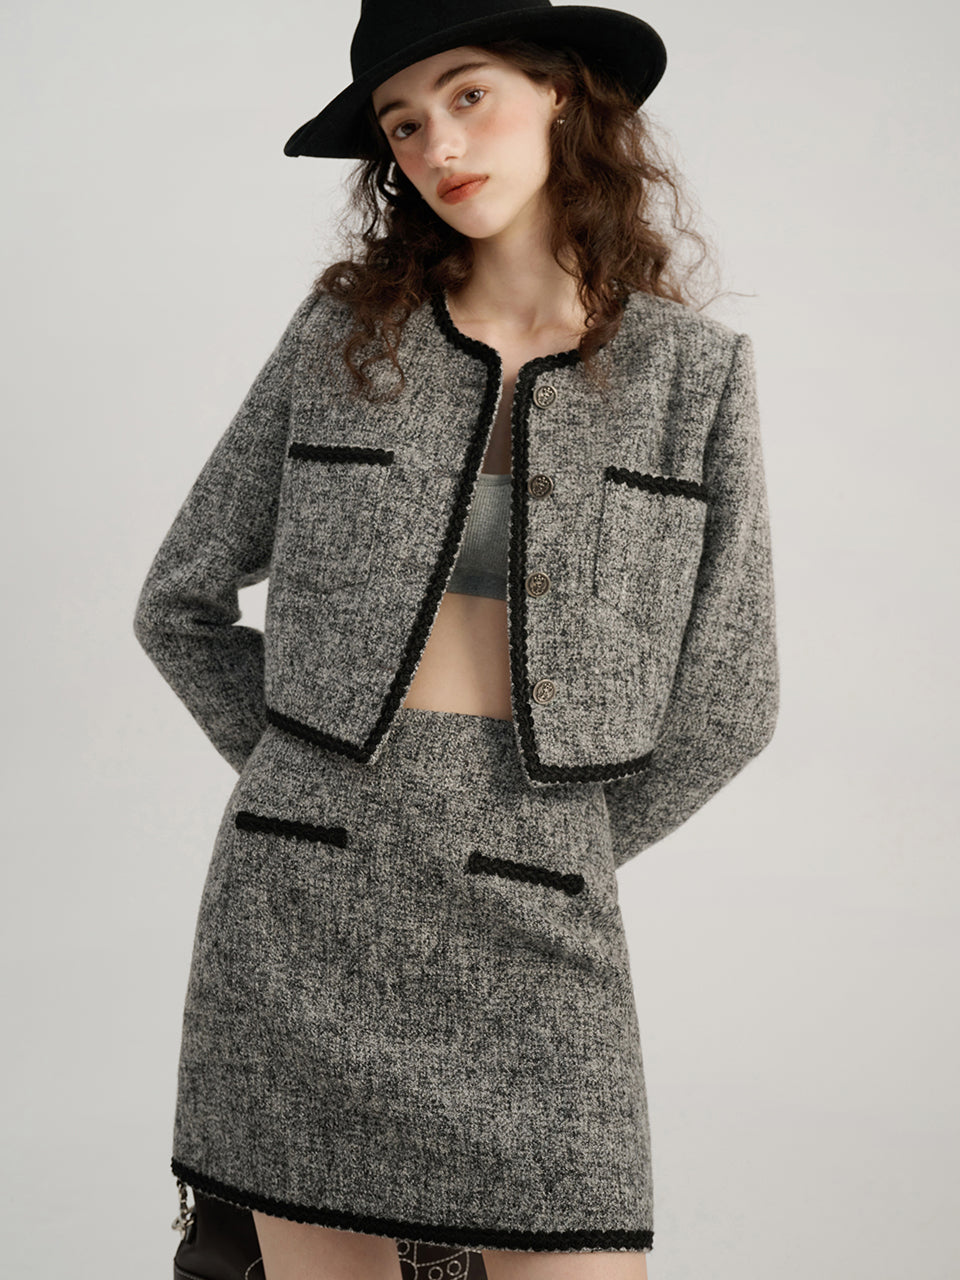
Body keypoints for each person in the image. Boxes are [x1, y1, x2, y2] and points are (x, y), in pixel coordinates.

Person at [133, 3, 780, 1278]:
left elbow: (733, 697)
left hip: (540, 900)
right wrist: (303, 773)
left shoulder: (691, 374)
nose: (438, 142)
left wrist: (565, 839)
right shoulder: (342, 337)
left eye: (468, 93)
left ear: (559, 93)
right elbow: (179, 602)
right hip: (304, 902)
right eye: (403, 122)